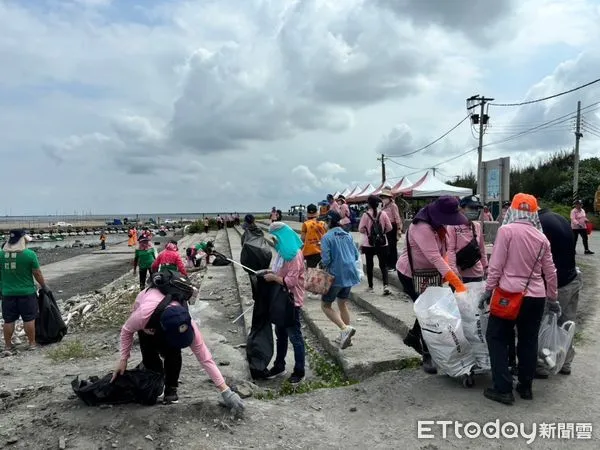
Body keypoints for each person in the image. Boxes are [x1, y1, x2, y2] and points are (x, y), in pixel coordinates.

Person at [112, 272, 244, 412]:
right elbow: (126, 330)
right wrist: (123, 359)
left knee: (173, 353)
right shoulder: (143, 315)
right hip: (148, 322)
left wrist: (225, 391)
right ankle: (158, 382)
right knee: (149, 354)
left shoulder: (188, 324)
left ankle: (171, 389)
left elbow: (205, 358)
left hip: (166, 324)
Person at [480, 193, 559, 405]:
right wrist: (553, 298)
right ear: (534, 213)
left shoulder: (506, 231)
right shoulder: (542, 238)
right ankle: (525, 387)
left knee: (496, 338)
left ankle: (503, 388)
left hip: (509, 294)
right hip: (536, 297)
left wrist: (488, 291)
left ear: (513, 210)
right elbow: (550, 272)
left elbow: (496, 266)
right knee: (528, 341)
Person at [396, 196, 469, 374]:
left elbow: (445, 254)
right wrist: (457, 283)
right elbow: (435, 257)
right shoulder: (421, 227)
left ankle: (413, 337)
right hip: (411, 274)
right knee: (427, 312)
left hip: (431, 274)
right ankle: (427, 354)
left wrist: (452, 276)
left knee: (427, 310)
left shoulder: (439, 227)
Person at [535, 206, 583, 376]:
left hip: (558, 284)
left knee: (546, 325)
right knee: (567, 325)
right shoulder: (560, 218)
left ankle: (541, 365)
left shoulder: (540, 224)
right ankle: (566, 363)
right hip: (573, 279)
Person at [263, 222, 306, 384]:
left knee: (295, 337)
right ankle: (279, 365)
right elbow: (280, 270)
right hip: (281, 300)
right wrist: (271, 272)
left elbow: (291, 281)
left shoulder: (294, 255)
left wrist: (274, 278)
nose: (274, 242)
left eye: (276, 238)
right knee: (280, 335)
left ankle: (299, 370)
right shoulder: (283, 252)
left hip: (291, 301)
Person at [0, 230, 49, 351]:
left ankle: (7, 345)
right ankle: (32, 344)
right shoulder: (29, 254)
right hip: (26, 293)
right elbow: (37, 273)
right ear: (22, 240)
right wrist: (44, 286)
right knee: (29, 318)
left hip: (7, 293)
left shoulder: (1, 255)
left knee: (9, 320)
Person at [320, 211, 359, 349]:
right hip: (350, 273)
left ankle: (344, 328)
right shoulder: (347, 235)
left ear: (329, 221)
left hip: (335, 274)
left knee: (325, 305)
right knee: (342, 303)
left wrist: (323, 265)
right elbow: (355, 255)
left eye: (325, 221)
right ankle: (346, 336)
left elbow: (326, 259)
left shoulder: (326, 237)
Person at [447, 195, 488, 283]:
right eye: (471, 208)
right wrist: (454, 272)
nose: (475, 211)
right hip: (460, 275)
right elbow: (450, 251)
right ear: (461, 209)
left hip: (477, 274)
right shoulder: (452, 226)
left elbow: (482, 249)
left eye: (477, 208)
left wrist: (486, 267)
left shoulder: (477, 226)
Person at [359, 195, 392, 295]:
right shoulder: (383, 214)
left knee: (369, 265)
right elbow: (390, 227)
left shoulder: (365, 215)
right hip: (382, 243)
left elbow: (360, 229)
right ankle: (385, 286)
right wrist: (382, 233)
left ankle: (370, 286)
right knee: (383, 265)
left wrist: (367, 231)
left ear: (368, 204)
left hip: (369, 244)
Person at [380, 187, 402, 272]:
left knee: (392, 247)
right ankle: (388, 264)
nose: (384, 199)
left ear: (389, 198)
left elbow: (397, 218)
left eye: (385, 197)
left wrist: (399, 229)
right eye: (383, 197)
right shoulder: (383, 206)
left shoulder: (393, 205)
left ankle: (393, 265)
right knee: (387, 246)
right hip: (386, 227)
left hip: (393, 227)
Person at [301, 204, 327, 269]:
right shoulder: (323, 223)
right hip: (322, 251)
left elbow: (302, 238)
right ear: (316, 212)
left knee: (311, 273)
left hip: (310, 252)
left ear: (307, 213)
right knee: (322, 272)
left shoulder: (305, 224)